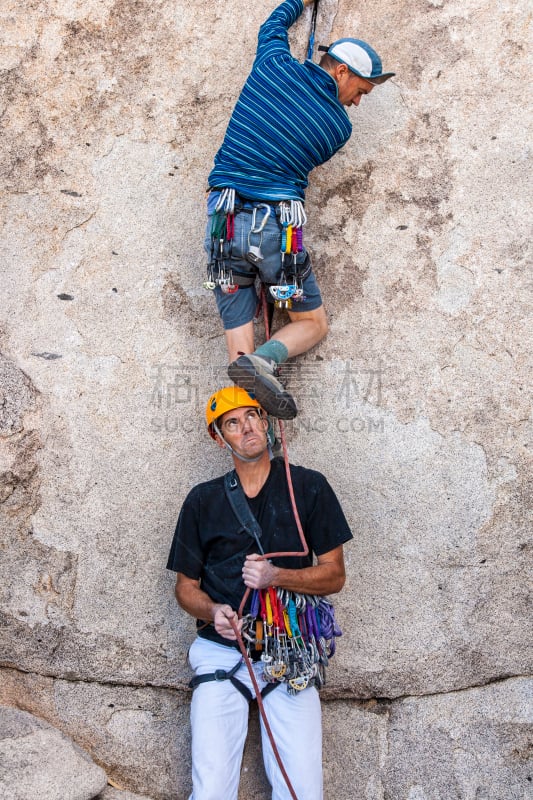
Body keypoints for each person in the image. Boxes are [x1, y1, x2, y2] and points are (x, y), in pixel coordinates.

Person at [203, 0, 395, 419]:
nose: (357, 104)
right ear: (341, 71)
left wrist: (300, 3)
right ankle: (266, 359)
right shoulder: (337, 128)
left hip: (223, 222)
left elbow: (273, 24)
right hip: (275, 232)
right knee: (312, 324)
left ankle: (252, 415)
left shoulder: (271, 63)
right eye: (360, 91)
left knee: (238, 347)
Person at [167, 386, 353, 800]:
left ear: (265, 422)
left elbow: (334, 575)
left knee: (302, 790)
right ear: (219, 438)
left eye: (251, 416)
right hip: (221, 649)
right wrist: (214, 610)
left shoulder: (309, 488)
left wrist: (276, 576)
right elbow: (185, 589)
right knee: (211, 788)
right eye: (232, 423)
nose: (246, 427)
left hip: (289, 649)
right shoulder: (203, 501)